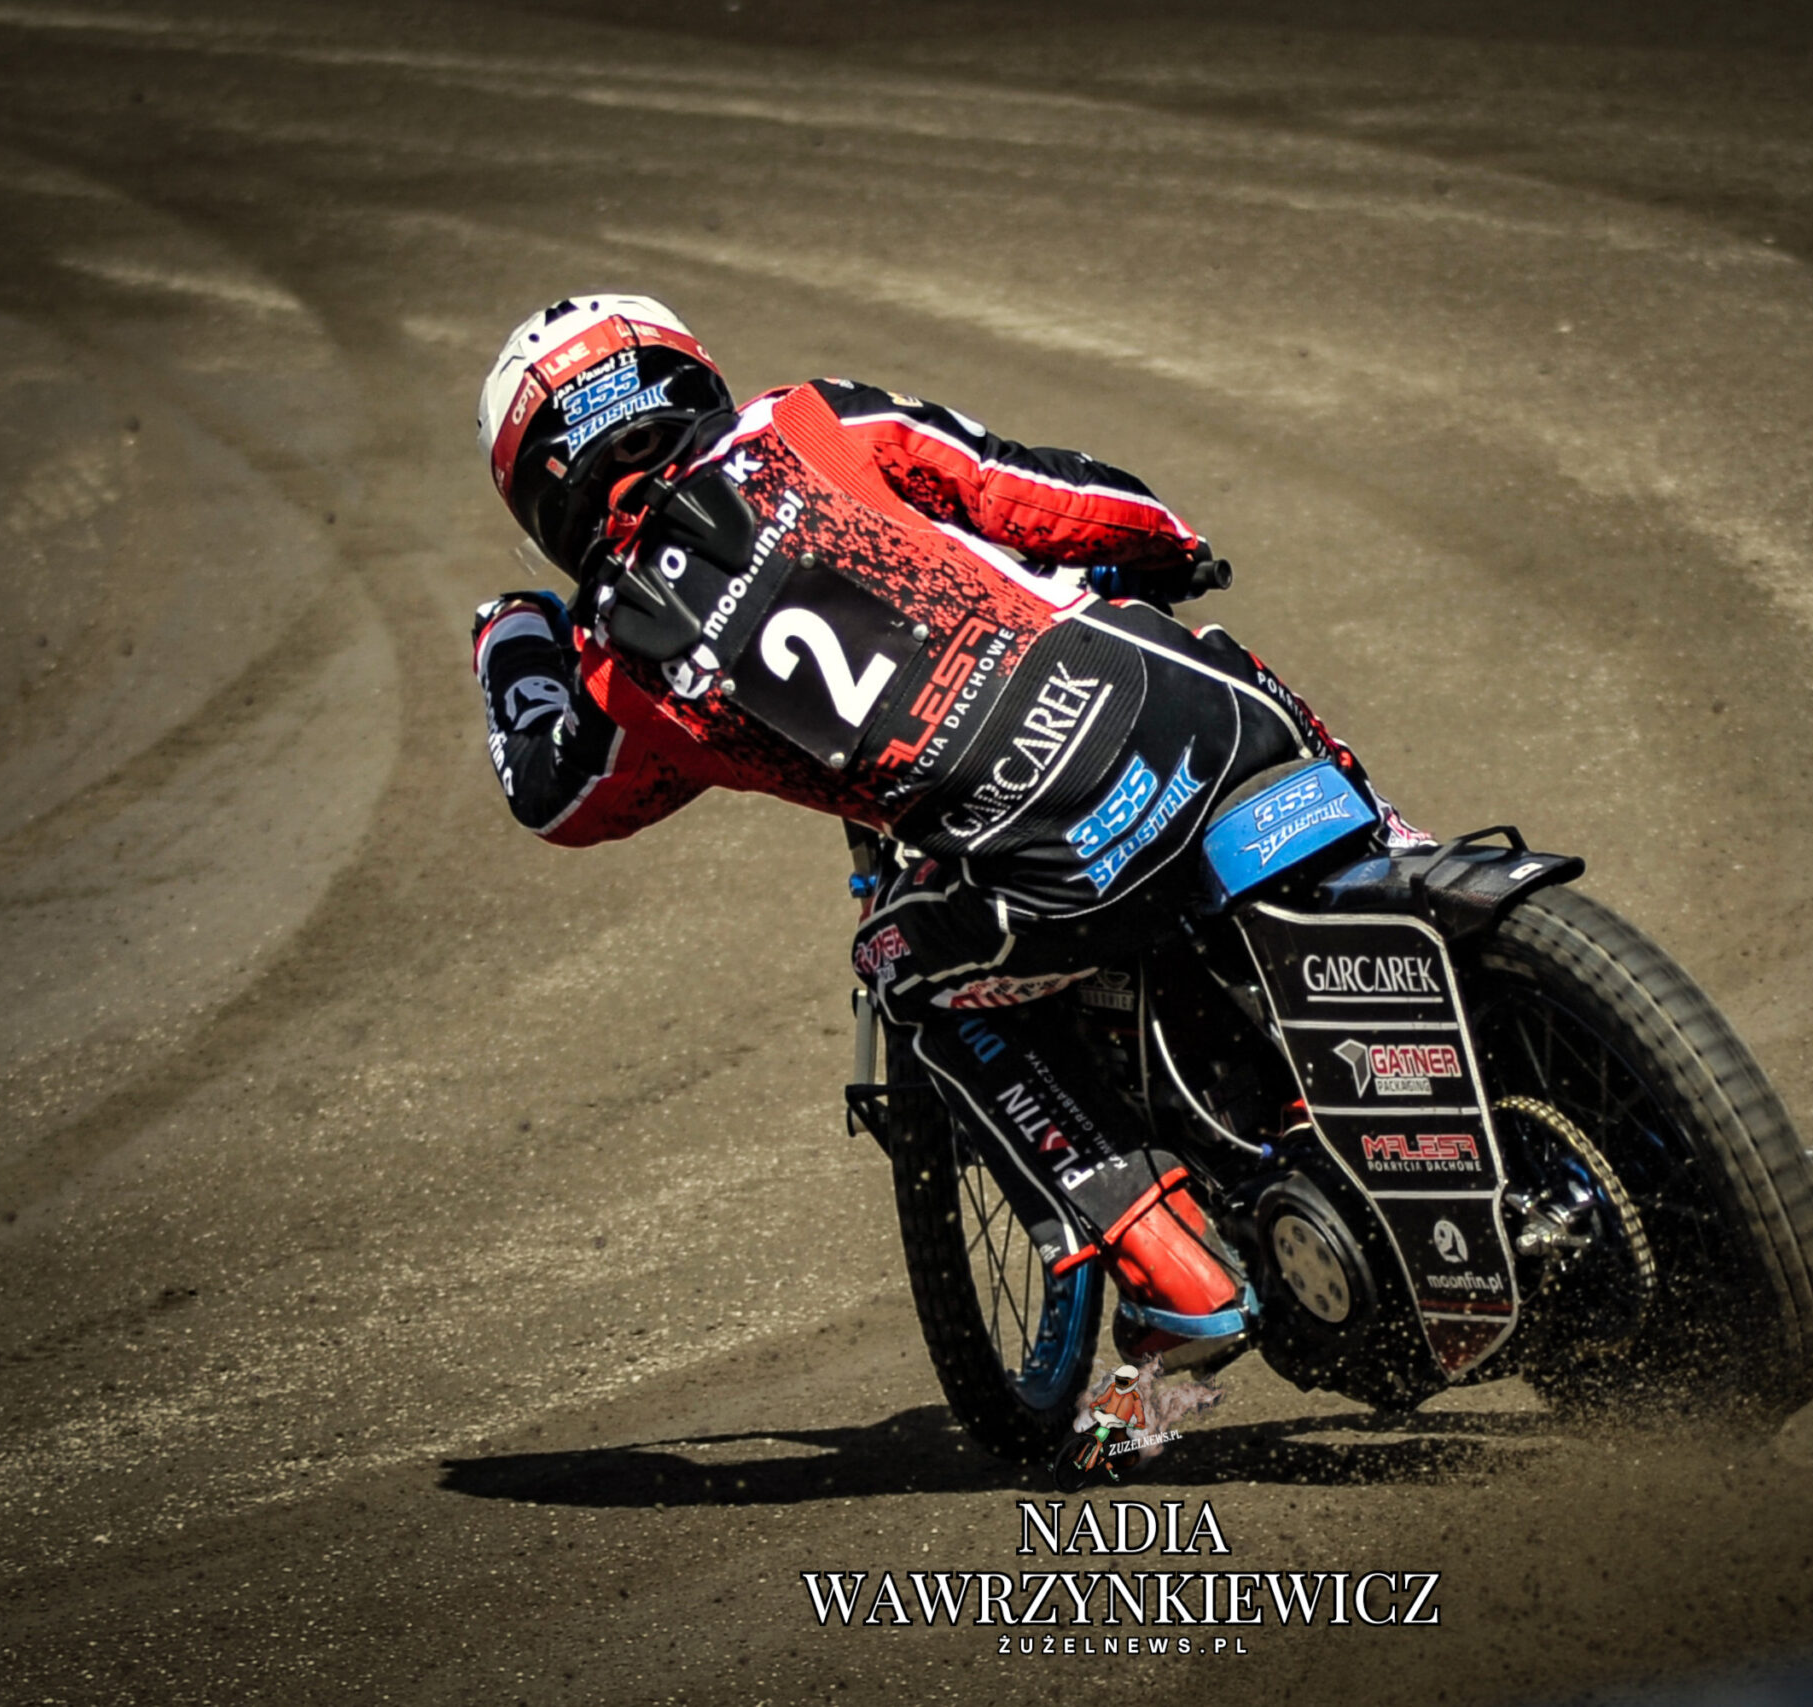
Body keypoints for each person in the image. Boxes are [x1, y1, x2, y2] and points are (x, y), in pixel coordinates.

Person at [468, 293, 1420, 1363]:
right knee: (1209, 660)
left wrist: (512, 634)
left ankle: (1179, 1279)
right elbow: (1038, 492)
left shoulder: (623, 675)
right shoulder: (808, 418)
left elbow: (556, 798)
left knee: (899, 965)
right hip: (1194, 717)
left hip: (1056, 872)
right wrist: (1172, 545)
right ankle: (1409, 875)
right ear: (684, 375)